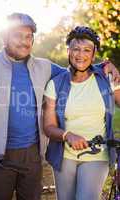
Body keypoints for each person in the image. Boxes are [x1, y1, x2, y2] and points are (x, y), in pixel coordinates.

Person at [0, 13, 119, 200]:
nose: (24, 42)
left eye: (28, 37)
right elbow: (75, 66)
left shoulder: (44, 67)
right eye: (17, 35)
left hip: (32, 157)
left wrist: (105, 65)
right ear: (5, 37)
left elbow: (79, 68)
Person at [43, 26, 120, 200]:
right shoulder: (55, 84)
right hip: (64, 156)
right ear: (68, 51)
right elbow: (48, 126)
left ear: (94, 54)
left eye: (87, 50)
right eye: (76, 49)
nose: (80, 55)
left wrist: (109, 66)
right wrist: (67, 135)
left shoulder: (107, 78)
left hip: (97, 155)